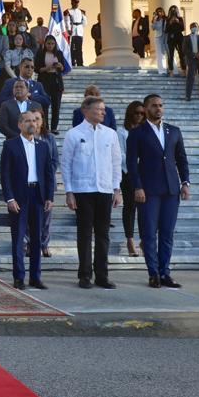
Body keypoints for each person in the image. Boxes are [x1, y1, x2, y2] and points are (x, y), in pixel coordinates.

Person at [126, 94, 191, 288]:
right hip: (148, 190)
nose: (159, 109)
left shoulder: (174, 131)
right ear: (146, 109)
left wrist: (185, 183)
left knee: (167, 233)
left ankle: (165, 273)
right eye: (154, 106)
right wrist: (137, 186)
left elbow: (181, 159)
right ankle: (153, 273)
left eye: (161, 105)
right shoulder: (137, 133)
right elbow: (131, 163)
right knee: (148, 233)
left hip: (171, 190)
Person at [61, 96, 122, 289]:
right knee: (85, 233)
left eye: (104, 109)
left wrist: (116, 188)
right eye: (99, 109)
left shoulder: (110, 134)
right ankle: (85, 275)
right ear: (86, 110)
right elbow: (66, 164)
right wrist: (69, 191)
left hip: (104, 189)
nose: (103, 112)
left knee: (103, 234)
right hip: (82, 190)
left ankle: (102, 275)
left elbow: (116, 162)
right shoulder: (73, 134)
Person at [0, 109, 54, 290]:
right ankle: (18, 277)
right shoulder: (10, 145)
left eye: (34, 121)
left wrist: (49, 196)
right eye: (28, 121)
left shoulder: (43, 146)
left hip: (38, 195)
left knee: (37, 239)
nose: (32, 124)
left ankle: (35, 277)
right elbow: (5, 175)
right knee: (18, 239)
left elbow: (49, 173)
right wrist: (9, 198)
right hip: (19, 197)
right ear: (20, 124)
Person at [118, 100, 146, 258]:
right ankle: (130, 239)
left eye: (142, 113)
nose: (139, 116)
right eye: (136, 113)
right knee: (130, 207)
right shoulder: (121, 132)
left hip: (146, 174)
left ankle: (144, 240)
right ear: (130, 114)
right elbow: (122, 154)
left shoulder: (146, 131)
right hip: (128, 173)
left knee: (146, 207)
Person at [32, 106, 59, 258]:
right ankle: (31, 244)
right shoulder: (24, 137)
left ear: (42, 121)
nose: (35, 122)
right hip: (30, 182)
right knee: (30, 217)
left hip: (47, 183)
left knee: (46, 216)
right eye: (32, 119)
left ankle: (44, 244)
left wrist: (46, 176)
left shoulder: (49, 138)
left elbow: (54, 160)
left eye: (38, 119)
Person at [35, 36, 66, 133]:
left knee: (56, 105)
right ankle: (45, 127)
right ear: (45, 44)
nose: (50, 46)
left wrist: (60, 66)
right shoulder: (40, 53)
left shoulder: (59, 53)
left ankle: (54, 127)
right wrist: (47, 68)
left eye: (52, 44)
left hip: (56, 80)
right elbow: (37, 69)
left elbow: (63, 68)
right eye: (48, 43)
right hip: (44, 80)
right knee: (44, 105)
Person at [183, 22, 199, 101]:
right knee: (190, 78)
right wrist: (194, 55)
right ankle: (188, 96)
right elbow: (184, 50)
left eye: (196, 26)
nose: (194, 28)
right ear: (190, 28)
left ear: (198, 28)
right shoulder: (186, 38)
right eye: (193, 26)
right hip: (192, 60)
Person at [65, 0, 87, 66]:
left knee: (79, 48)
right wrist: (68, 29)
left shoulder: (82, 11)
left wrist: (80, 27)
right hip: (72, 31)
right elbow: (67, 21)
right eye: (74, 3)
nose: (76, 4)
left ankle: (80, 63)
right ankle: (72, 62)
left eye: (77, 3)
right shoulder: (68, 11)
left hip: (79, 32)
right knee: (71, 48)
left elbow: (85, 22)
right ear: (71, 3)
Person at [165, 6, 186, 77]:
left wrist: (178, 22)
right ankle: (171, 71)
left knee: (182, 54)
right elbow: (166, 30)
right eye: (172, 10)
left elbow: (183, 28)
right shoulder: (168, 20)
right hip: (171, 38)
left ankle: (184, 70)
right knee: (170, 55)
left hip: (179, 38)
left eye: (175, 10)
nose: (173, 11)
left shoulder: (180, 19)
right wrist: (170, 23)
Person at [151, 7, 168, 74]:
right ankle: (161, 70)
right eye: (158, 11)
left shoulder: (166, 19)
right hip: (158, 38)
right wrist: (154, 19)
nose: (159, 13)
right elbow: (153, 28)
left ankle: (169, 68)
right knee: (159, 54)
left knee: (166, 53)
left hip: (165, 37)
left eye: (160, 11)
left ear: (163, 12)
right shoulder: (156, 20)